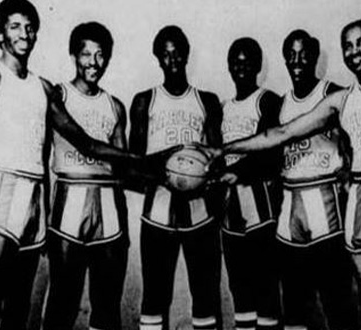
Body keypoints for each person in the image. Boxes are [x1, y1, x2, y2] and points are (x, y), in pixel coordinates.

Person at [214, 18, 361, 330]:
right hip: (359, 201)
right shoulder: (342, 99)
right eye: (348, 45)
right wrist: (221, 151)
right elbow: (280, 133)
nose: (354, 51)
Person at [0, 1, 149, 329]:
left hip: (34, 203)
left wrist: (43, 212)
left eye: (29, 27)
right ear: (0, 33)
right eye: (15, 26)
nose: (24, 34)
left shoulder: (44, 88)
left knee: (18, 312)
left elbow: (63, 148)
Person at [129, 25, 223, 330]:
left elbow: (215, 157)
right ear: (157, 58)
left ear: (186, 55)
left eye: (177, 52)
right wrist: (165, 171)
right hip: (158, 207)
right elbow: (133, 164)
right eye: (165, 54)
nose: (172, 59)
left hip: (200, 209)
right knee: (155, 295)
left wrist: (200, 176)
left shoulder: (206, 100)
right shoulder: (145, 100)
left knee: (205, 294)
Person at [42, 22, 129, 330]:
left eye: (100, 55)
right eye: (86, 54)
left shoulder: (116, 106)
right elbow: (44, 159)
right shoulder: (57, 95)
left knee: (107, 306)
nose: (93, 62)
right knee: (62, 303)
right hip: (69, 200)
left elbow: (124, 168)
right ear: (73, 55)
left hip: (109, 204)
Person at [275, 29, 357, 330]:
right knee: (295, 305)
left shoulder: (334, 94)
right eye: (291, 55)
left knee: (337, 302)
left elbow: (356, 140)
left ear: (314, 57)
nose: (298, 61)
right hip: (290, 209)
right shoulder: (279, 105)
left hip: (327, 206)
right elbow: (267, 153)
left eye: (304, 53)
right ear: (285, 60)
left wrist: (350, 168)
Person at [220, 37, 283, 330]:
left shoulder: (268, 100)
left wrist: (238, 172)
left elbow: (270, 152)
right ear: (229, 67)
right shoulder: (222, 107)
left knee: (265, 286)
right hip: (230, 207)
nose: (241, 67)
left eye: (247, 62)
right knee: (239, 287)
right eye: (236, 61)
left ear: (258, 66)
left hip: (261, 203)